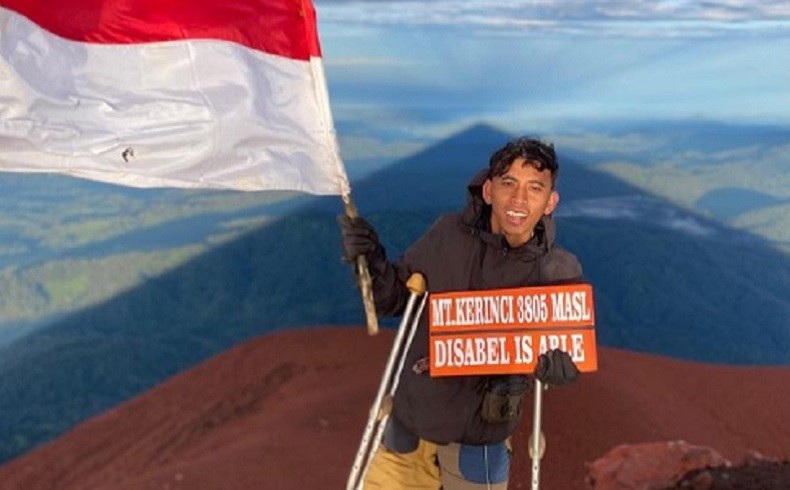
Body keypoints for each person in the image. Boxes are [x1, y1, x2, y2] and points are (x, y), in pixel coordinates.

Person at [339, 136, 584, 489]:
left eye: (534, 188)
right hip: (411, 423)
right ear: (488, 191)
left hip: (479, 440)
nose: (519, 199)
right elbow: (394, 298)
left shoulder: (556, 272)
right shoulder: (447, 237)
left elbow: (570, 348)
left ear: (550, 202)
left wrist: (562, 368)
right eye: (508, 184)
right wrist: (371, 260)